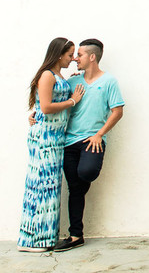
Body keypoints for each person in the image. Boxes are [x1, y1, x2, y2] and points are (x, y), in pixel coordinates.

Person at [53, 38, 124, 252]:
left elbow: (117, 111)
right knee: (75, 190)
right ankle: (76, 236)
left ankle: (76, 232)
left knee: (86, 173)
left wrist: (99, 135)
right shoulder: (73, 82)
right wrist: (36, 115)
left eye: (80, 55)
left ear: (92, 57)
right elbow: (54, 102)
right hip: (69, 142)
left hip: (92, 141)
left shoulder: (109, 82)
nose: (75, 58)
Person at [17, 38, 84, 252]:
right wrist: (73, 101)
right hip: (45, 138)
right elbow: (45, 107)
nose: (72, 59)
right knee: (40, 186)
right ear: (58, 55)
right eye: (69, 54)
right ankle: (33, 240)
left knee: (50, 187)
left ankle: (45, 238)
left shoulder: (57, 76)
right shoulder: (47, 75)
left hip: (55, 138)